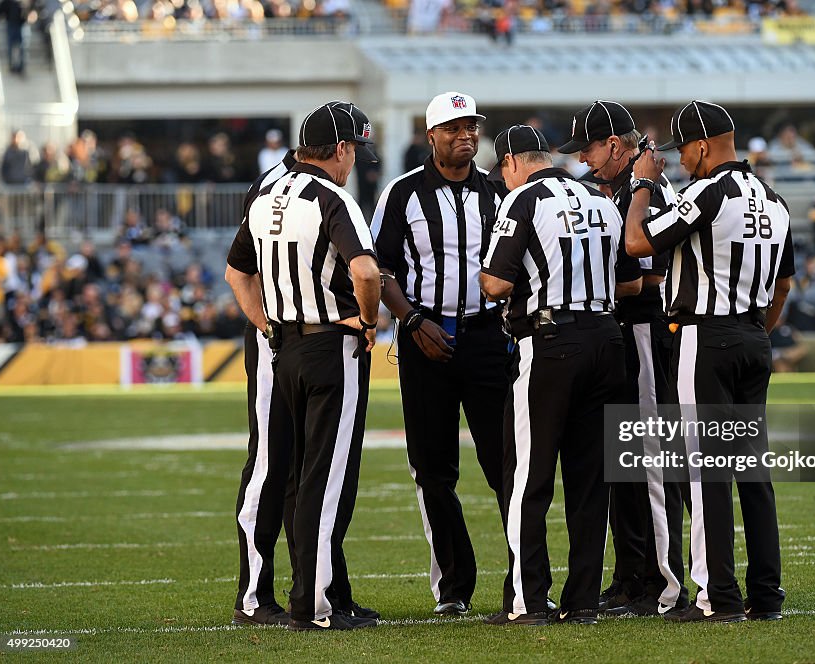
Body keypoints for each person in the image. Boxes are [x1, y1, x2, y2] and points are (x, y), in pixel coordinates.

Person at [625, 99, 793, 623]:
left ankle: (718, 596)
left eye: (683, 150)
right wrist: (755, 333)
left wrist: (642, 185)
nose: (681, 160)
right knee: (753, 474)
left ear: (702, 145)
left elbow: (636, 242)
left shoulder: (708, 190)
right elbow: (784, 284)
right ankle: (766, 596)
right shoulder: (774, 198)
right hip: (753, 338)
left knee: (706, 472)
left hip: (707, 337)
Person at [225, 101, 382, 632]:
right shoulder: (332, 197)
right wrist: (366, 320)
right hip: (327, 347)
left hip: (278, 347)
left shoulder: (265, 189)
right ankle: (316, 602)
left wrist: (267, 327)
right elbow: (364, 269)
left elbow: (235, 273)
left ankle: (256, 594)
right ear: (341, 149)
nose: (354, 161)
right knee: (322, 476)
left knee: (268, 469)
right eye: (355, 150)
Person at [480, 124, 641, 626]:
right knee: (590, 479)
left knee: (528, 475)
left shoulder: (523, 200)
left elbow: (494, 282)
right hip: (606, 340)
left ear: (511, 163)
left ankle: (529, 600)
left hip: (551, 342)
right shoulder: (597, 197)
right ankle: (584, 600)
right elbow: (631, 283)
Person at [371, 91, 510, 617]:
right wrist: (410, 320)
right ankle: (454, 585)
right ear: (431, 136)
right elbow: (381, 268)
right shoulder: (401, 194)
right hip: (422, 332)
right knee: (433, 469)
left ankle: (525, 579)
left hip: (487, 336)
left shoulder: (499, 193)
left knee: (506, 462)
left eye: (471, 126)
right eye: (453, 128)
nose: (465, 135)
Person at [556, 100, 688, 617]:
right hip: (617, 331)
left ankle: (664, 582)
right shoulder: (612, 189)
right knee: (621, 461)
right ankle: (633, 573)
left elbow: (646, 274)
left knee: (649, 458)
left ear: (615, 144)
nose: (584, 161)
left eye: (589, 149)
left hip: (644, 327)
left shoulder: (650, 190)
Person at [227, 148, 301, 628]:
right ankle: (253, 594)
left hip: (310, 341)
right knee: (271, 461)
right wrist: (267, 327)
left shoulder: (309, 185)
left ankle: (319, 588)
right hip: (280, 337)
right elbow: (242, 268)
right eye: (354, 150)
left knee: (310, 467)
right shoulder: (274, 188)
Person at [0, 0, 25, 75]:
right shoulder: (7, 2)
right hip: (11, 25)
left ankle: (20, 66)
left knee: (21, 47)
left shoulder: (21, 2)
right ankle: (12, 66)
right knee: (11, 47)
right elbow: (0, 10)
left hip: (21, 25)